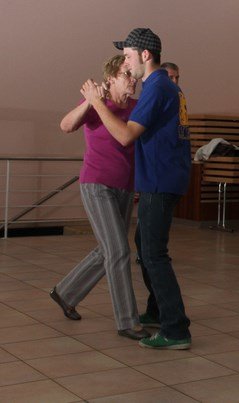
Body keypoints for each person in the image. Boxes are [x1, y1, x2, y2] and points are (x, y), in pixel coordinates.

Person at [80, 28, 192, 350]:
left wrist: (96, 102)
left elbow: (126, 135)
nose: (126, 63)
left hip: (159, 179)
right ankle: (157, 310)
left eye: (128, 56)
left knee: (154, 254)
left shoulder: (156, 87)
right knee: (145, 246)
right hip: (166, 176)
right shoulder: (165, 86)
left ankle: (176, 329)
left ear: (145, 55)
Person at [51, 55, 149, 341]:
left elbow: (137, 146)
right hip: (96, 185)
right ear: (111, 78)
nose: (133, 80)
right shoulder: (96, 104)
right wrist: (90, 101)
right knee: (118, 250)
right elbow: (66, 126)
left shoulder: (136, 107)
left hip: (125, 187)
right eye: (126, 74)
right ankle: (127, 321)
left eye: (134, 76)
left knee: (108, 249)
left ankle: (66, 292)